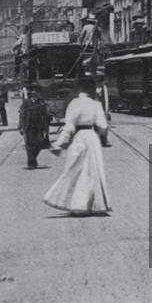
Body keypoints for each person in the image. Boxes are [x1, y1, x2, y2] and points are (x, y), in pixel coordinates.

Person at [44, 76, 111, 215]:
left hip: (79, 138)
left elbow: (69, 127)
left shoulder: (74, 103)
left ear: (79, 89)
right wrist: (98, 135)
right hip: (92, 139)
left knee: (74, 169)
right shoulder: (96, 104)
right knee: (93, 171)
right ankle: (95, 205)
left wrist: (59, 144)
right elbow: (103, 126)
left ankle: (76, 204)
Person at [18, 82, 51, 168]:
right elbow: (22, 115)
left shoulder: (41, 102)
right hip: (28, 126)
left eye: (36, 91)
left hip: (38, 126)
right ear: (30, 93)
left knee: (39, 144)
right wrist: (21, 126)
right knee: (29, 145)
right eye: (32, 90)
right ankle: (31, 164)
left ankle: (33, 160)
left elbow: (45, 115)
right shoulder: (26, 102)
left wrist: (45, 128)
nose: (34, 92)